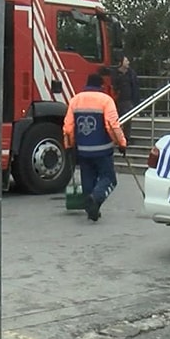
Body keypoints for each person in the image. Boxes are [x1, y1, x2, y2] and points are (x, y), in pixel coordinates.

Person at [63, 72, 128, 222]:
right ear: (101, 85)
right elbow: (112, 125)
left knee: (88, 180)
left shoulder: (75, 100)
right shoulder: (106, 100)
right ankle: (95, 199)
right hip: (103, 150)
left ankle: (91, 210)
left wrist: (68, 145)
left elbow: (68, 127)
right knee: (109, 179)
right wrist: (121, 143)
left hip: (83, 150)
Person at [112, 56, 141, 145]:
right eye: (126, 61)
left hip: (128, 99)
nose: (128, 62)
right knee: (118, 119)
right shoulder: (115, 74)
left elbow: (135, 86)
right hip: (118, 99)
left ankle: (126, 137)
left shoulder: (131, 73)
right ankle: (117, 137)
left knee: (128, 119)